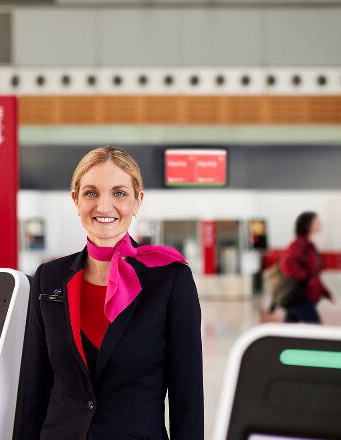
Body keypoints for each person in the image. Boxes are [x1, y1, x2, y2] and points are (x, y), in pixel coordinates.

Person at [18, 146, 204, 439]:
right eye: (91, 193)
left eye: (119, 193)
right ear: (75, 199)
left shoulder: (171, 280)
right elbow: (34, 386)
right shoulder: (48, 277)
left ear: (138, 201)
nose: (104, 207)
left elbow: (187, 395)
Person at [280, 211, 334, 323]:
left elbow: (314, 275)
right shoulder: (300, 244)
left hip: (302, 297)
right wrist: (306, 278)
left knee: (288, 332)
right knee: (316, 332)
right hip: (301, 297)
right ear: (308, 225)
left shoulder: (310, 245)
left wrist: (326, 293)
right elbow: (288, 265)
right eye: (317, 221)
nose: (320, 223)